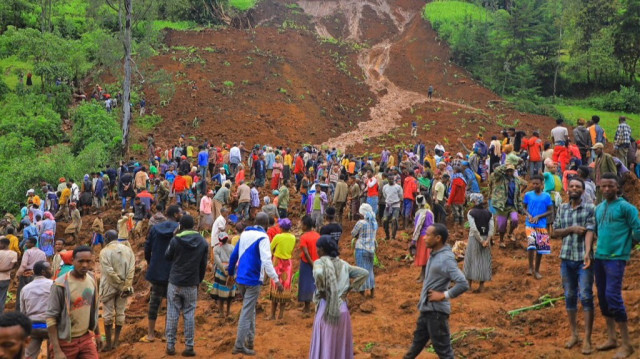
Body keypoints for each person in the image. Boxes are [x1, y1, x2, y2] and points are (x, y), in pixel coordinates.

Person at [590, 173, 639, 358]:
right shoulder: (599, 208)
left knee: (613, 296)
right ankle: (612, 338)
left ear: (618, 187)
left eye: (611, 186)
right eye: (604, 186)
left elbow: (638, 230)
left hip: (616, 258)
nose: (607, 189)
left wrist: (628, 246)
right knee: (602, 297)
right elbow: (595, 231)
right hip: (600, 256)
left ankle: (627, 344)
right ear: (600, 188)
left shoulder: (627, 208)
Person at [403, 224, 469, 359]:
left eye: (428, 235)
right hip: (427, 309)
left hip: (436, 314)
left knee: (444, 352)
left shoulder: (446, 258)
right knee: (416, 345)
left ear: (438, 238)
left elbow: (463, 283)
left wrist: (444, 295)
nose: (424, 238)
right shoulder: (435, 254)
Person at [227, 212, 283, 356]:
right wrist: (276, 280)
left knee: (249, 308)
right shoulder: (263, 237)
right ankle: (239, 345)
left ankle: (250, 340)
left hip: (240, 278)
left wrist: (230, 273)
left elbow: (234, 255)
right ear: (266, 225)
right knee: (246, 311)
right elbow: (266, 260)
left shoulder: (245, 233)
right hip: (253, 280)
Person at [551, 178, 596, 354]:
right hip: (566, 258)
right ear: (567, 190)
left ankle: (587, 339)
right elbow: (555, 232)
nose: (574, 188)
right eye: (572, 186)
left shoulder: (590, 208)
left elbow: (590, 231)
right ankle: (574, 334)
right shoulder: (562, 208)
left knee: (585, 296)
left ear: (583, 191)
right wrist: (572, 229)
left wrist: (587, 253)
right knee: (569, 295)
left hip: (583, 260)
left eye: (578, 186)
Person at [308, 236, 368, 359]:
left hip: (327, 309)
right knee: (339, 344)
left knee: (326, 344)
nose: (317, 251)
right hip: (343, 309)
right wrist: (350, 288)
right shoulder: (344, 264)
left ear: (323, 250)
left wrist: (322, 288)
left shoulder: (320, 262)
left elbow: (318, 273)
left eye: (318, 248)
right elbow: (364, 273)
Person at [164, 215, 209, 357]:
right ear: (194, 225)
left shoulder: (176, 240)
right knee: (189, 314)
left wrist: (174, 236)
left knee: (172, 313)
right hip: (191, 283)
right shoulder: (202, 242)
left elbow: (167, 256)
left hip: (175, 282)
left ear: (181, 226)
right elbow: (203, 265)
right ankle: (189, 346)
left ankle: (170, 346)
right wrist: (199, 280)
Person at [46, 246, 102, 358]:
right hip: (65, 342)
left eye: (88, 261)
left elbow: (93, 309)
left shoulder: (92, 279)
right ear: (72, 261)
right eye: (80, 261)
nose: (85, 265)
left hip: (86, 338)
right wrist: (57, 350)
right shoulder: (60, 285)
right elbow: (51, 318)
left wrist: (97, 334)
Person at [141, 205, 181, 343]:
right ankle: (166, 334)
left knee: (154, 302)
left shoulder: (155, 229)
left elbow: (147, 248)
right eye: (180, 212)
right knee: (171, 303)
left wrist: (150, 262)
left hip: (157, 270)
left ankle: (150, 334)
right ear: (176, 215)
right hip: (174, 271)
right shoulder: (179, 229)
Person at [99, 230, 135, 352]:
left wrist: (119, 285)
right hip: (124, 287)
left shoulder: (104, 252)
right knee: (120, 313)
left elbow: (108, 271)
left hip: (109, 287)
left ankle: (108, 344)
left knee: (108, 314)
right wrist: (126, 285)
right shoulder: (128, 250)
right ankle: (116, 342)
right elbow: (131, 269)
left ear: (107, 238)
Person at [20, 260, 53, 359]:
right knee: (55, 352)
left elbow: (23, 312)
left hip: (32, 327)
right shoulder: (54, 285)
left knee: (29, 355)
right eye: (50, 269)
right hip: (51, 326)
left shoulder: (25, 289)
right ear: (43, 272)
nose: (51, 270)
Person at [523, 175, 554, 279]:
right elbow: (524, 208)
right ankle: (530, 267)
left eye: (537, 184)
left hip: (541, 225)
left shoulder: (546, 196)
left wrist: (539, 216)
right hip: (530, 224)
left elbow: (550, 210)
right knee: (531, 245)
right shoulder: (528, 195)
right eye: (533, 183)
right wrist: (529, 215)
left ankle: (537, 270)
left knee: (540, 249)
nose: (535, 185)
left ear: (542, 184)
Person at [463, 194, 494, 293]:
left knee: (470, 260)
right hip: (486, 238)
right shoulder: (489, 213)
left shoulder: (471, 213)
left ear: (473, 201)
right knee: (484, 261)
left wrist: (480, 240)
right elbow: (492, 228)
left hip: (474, 239)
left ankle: (468, 285)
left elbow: (473, 228)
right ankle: (481, 286)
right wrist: (487, 240)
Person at [490, 164, 523, 247]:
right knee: (502, 225)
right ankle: (501, 240)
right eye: (507, 171)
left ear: (513, 171)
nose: (509, 172)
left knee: (515, 220)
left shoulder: (516, 181)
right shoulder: (500, 179)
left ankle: (510, 233)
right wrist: (506, 164)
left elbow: (518, 195)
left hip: (512, 205)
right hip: (502, 206)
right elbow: (496, 171)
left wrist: (520, 206)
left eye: (511, 171)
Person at [269, 218, 296, 320]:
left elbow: (270, 248)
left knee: (275, 286)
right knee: (285, 287)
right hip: (288, 264)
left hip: (278, 263)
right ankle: (281, 314)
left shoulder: (278, 237)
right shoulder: (293, 237)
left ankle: (272, 314)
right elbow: (292, 250)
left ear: (281, 227)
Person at [352, 203, 377, 298]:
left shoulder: (360, 223)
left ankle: (362, 294)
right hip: (371, 249)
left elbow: (353, 233)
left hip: (361, 249)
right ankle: (372, 292)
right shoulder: (374, 223)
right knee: (370, 270)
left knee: (361, 271)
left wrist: (359, 236)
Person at [15, 238, 46, 313]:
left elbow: (23, 265)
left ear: (32, 244)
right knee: (35, 294)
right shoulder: (42, 253)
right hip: (37, 275)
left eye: (27, 242)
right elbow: (44, 264)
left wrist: (17, 274)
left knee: (21, 294)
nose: (26, 244)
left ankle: (20, 313)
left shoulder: (27, 252)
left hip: (26, 275)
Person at [210, 232, 237, 318]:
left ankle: (221, 312)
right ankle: (228, 312)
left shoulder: (216, 248)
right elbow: (235, 259)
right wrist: (231, 271)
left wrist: (223, 270)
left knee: (220, 294)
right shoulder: (232, 247)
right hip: (231, 271)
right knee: (230, 292)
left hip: (221, 273)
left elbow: (217, 261)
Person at [298, 215, 320, 313]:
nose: (300, 225)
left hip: (307, 263)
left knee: (305, 284)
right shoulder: (317, 235)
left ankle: (307, 307)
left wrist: (311, 264)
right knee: (315, 283)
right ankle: (316, 305)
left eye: (301, 224)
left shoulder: (303, 237)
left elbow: (306, 253)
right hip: (317, 262)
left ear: (305, 226)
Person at [411, 195, 434, 283]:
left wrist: (413, 240)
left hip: (422, 237)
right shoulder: (430, 212)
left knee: (423, 256)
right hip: (430, 235)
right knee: (427, 256)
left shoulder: (419, 213)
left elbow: (417, 227)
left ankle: (424, 276)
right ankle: (423, 274)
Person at [0, 238, 17, 314]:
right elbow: (12, 266)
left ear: (3, 244)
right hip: (5, 278)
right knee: (2, 297)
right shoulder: (13, 254)